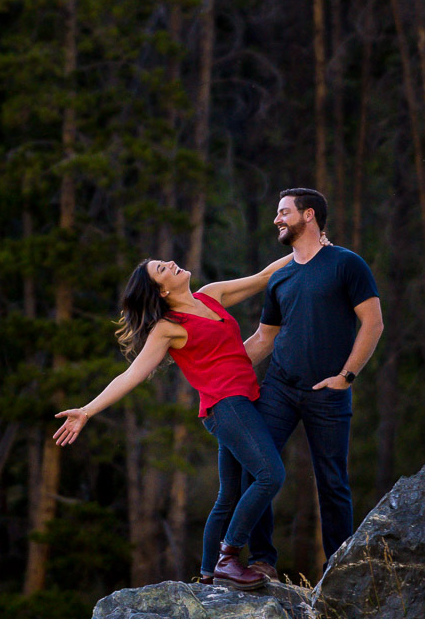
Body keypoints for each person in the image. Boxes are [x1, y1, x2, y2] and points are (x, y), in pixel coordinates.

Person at [53, 254, 291, 590]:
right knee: (270, 475)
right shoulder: (169, 328)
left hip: (241, 403)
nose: (170, 263)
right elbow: (133, 374)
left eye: (164, 262)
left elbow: (264, 276)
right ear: (162, 291)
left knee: (229, 495)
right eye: (162, 269)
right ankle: (229, 557)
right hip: (227, 407)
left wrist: (307, 250)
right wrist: (87, 411)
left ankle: (209, 575)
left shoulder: (212, 294)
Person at [241, 187, 384, 580]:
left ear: (309, 215)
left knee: (333, 482)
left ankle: (338, 572)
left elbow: (373, 323)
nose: (277, 219)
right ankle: (262, 560)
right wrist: (219, 369)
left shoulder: (346, 264)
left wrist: (346, 377)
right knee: (256, 467)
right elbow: (263, 339)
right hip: (279, 388)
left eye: (284, 212)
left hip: (328, 392)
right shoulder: (280, 276)